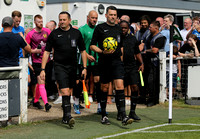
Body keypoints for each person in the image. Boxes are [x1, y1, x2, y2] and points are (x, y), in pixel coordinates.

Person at [40, 11, 87, 128]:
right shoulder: (54, 34)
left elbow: (83, 51)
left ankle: (65, 117)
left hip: (73, 66)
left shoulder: (76, 33)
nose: (61, 22)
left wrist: (85, 68)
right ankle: (68, 116)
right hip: (59, 66)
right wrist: (42, 69)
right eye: (60, 19)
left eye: (64, 20)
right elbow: (46, 52)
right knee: (65, 91)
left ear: (69, 20)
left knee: (69, 91)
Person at [90, 6, 133, 125]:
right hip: (104, 62)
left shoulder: (119, 29)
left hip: (116, 62)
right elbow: (92, 46)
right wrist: (102, 51)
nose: (113, 17)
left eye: (114, 15)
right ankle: (103, 114)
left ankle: (123, 115)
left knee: (120, 86)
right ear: (106, 15)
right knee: (104, 88)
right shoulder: (100, 28)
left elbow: (122, 47)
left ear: (117, 16)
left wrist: (122, 60)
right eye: (110, 14)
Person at [0, 16, 31, 126]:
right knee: (11, 95)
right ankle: (8, 119)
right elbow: (29, 49)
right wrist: (23, 38)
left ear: (2, 25)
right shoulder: (17, 37)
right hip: (14, 70)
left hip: (0, 70)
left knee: (1, 94)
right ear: (12, 25)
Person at [25, 14, 52, 112]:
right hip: (36, 62)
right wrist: (34, 51)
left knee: (41, 82)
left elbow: (51, 43)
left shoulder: (47, 31)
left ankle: (35, 101)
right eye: (39, 22)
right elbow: (26, 47)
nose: (41, 23)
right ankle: (46, 103)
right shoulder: (30, 34)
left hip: (47, 61)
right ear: (35, 22)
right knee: (41, 82)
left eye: (42, 21)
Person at [120, 20, 144, 120]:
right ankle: (121, 113)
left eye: (125, 28)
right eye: (121, 28)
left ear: (128, 28)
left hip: (132, 66)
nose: (123, 30)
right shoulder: (116, 38)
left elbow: (137, 53)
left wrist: (141, 63)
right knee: (120, 90)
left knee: (135, 87)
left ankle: (132, 112)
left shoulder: (133, 38)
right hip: (120, 66)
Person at [79, 10, 101, 113]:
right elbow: (79, 47)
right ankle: (78, 102)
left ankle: (100, 105)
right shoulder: (82, 29)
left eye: (96, 18)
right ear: (88, 18)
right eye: (93, 18)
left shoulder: (99, 29)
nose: (94, 20)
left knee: (97, 81)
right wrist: (87, 55)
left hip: (96, 60)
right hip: (85, 60)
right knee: (83, 81)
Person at [141, 21, 166, 107]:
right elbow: (142, 44)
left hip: (155, 62)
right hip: (146, 61)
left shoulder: (160, 38)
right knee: (143, 80)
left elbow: (155, 50)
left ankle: (153, 99)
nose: (149, 28)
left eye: (150, 27)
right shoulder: (148, 36)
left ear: (156, 28)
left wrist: (146, 51)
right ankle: (143, 97)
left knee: (152, 81)